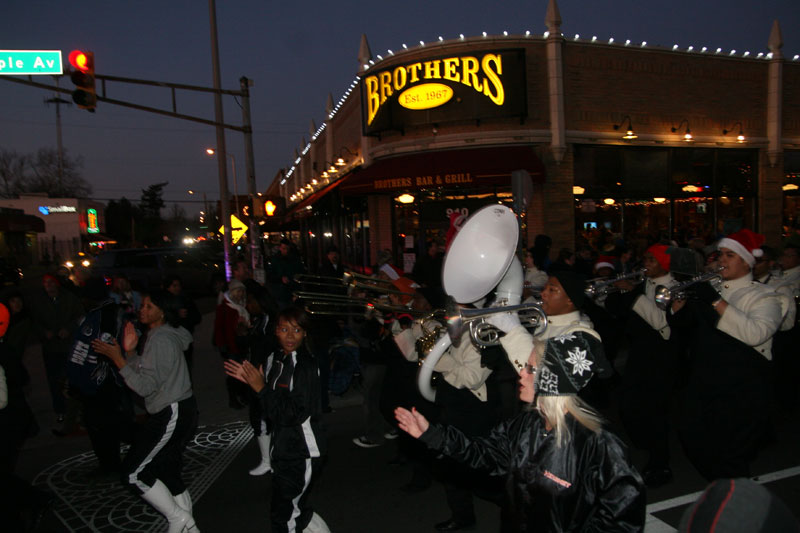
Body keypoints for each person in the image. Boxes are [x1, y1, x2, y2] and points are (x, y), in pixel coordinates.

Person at [395, 301, 646, 531]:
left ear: (553, 380)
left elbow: (622, 520)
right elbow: (484, 455)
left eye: (530, 369)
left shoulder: (600, 444)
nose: (521, 375)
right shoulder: (527, 424)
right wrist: (432, 435)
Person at [667, 229, 785, 480]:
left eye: (730, 255)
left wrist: (714, 301)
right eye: (720, 254)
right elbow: (686, 329)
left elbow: (756, 334)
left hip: (741, 387)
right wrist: (678, 306)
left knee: (730, 454)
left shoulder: (764, 296)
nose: (721, 260)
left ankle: (734, 503)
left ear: (747, 261)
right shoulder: (712, 289)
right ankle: (721, 489)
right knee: (692, 436)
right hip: (705, 380)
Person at [91, 290, 199, 533]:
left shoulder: (161, 339)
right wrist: (129, 353)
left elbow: (145, 386)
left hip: (171, 411)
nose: (142, 309)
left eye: (149, 306)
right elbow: (145, 372)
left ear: (162, 311)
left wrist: (118, 358)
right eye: (143, 305)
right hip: (178, 409)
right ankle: (188, 526)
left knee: (133, 473)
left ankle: (178, 519)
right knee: (167, 470)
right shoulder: (160, 335)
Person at [224, 306, 329, 533]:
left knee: (284, 517)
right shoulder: (275, 358)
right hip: (283, 447)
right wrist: (254, 385)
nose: (290, 336)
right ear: (275, 331)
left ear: (305, 333)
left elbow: (292, 413)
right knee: (291, 509)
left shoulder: (306, 367)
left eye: (297, 330)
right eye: (283, 329)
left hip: (302, 451)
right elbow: (270, 404)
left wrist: (260, 388)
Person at [605, 244, 679, 488]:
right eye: (645, 258)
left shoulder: (675, 288)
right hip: (639, 355)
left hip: (661, 359)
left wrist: (633, 295)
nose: (645, 263)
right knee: (628, 407)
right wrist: (612, 292)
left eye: (651, 259)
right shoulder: (642, 284)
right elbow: (616, 311)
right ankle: (647, 443)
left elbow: (663, 324)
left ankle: (661, 463)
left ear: (664, 264)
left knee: (655, 412)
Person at [0, 303, 55, 530]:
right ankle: (33, 501)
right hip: (12, 419)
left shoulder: (4, 352)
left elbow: (7, 393)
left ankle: (30, 505)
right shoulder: (6, 350)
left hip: (8, 422)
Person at [30, 273, 84, 425]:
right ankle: (61, 410)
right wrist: (44, 332)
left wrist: (69, 328)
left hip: (69, 346)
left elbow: (79, 316)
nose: (49, 286)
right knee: (54, 381)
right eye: (46, 283)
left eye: (51, 282)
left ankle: (77, 410)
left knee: (73, 379)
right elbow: (34, 321)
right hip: (51, 348)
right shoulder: (38, 301)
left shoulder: (69, 298)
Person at [243, 285, 278, 476]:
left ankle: (269, 460)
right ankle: (268, 459)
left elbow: (270, 350)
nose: (248, 305)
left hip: (267, 377)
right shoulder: (261, 320)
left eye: (250, 301)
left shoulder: (271, 323)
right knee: (260, 416)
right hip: (260, 375)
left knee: (264, 416)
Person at [214, 279, 251, 409]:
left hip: (242, 344)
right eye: (238, 291)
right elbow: (219, 328)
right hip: (231, 345)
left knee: (244, 371)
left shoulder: (242, 306)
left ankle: (243, 396)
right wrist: (221, 345)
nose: (241, 294)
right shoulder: (225, 307)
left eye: (242, 291)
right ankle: (234, 399)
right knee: (233, 374)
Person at [164, 275, 202, 376]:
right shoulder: (164, 302)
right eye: (174, 286)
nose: (177, 288)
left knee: (185, 369)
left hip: (185, 341)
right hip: (169, 342)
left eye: (179, 285)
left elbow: (197, 317)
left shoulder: (186, 299)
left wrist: (187, 317)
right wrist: (175, 315)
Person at [267, 239, 306, 310]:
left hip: (291, 291)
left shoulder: (295, 259)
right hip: (280, 292)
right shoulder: (275, 260)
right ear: (280, 248)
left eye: (287, 248)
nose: (285, 251)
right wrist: (280, 279)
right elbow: (270, 275)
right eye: (284, 248)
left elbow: (300, 274)